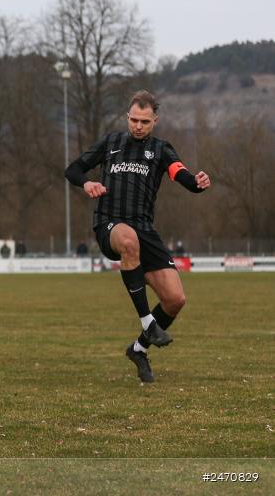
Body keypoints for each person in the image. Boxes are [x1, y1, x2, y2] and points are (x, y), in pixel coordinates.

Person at [65, 90, 211, 384]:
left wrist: (197, 182)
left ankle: (139, 349)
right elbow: (73, 169)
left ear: (155, 120)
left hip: (145, 229)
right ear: (127, 117)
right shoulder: (110, 143)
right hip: (110, 225)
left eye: (144, 121)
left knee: (175, 299)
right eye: (134, 120)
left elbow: (181, 174)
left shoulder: (161, 149)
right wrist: (87, 183)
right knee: (128, 240)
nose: (138, 126)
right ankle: (148, 322)